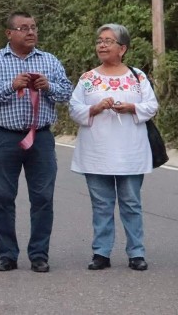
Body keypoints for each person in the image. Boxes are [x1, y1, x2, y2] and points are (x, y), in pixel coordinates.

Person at [0, 11, 72, 273]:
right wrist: (12, 85)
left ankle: (39, 255)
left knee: (43, 198)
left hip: (41, 138)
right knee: (3, 197)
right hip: (4, 138)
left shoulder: (49, 60)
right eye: (23, 28)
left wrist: (48, 86)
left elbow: (67, 92)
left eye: (34, 27)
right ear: (9, 33)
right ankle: (7, 255)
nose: (31, 32)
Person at [68, 24, 158, 272]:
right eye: (99, 41)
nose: (102, 45)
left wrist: (131, 107)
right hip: (96, 151)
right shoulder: (88, 79)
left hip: (130, 152)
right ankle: (101, 252)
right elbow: (74, 108)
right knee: (101, 205)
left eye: (108, 41)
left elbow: (152, 106)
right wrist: (94, 108)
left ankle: (136, 252)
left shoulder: (138, 77)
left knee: (131, 203)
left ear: (123, 48)